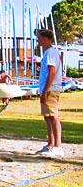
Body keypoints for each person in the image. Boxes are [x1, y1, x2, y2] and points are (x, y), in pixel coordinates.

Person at [35, 29, 63, 157]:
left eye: (39, 37)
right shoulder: (47, 53)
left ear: (45, 39)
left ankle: (58, 146)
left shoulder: (51, 52)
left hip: (51, 89)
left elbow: (52, 72)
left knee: (53, 116)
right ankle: (51, 144)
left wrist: (46, 90)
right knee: (47, 117)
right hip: (47, 89)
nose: (37, 40)